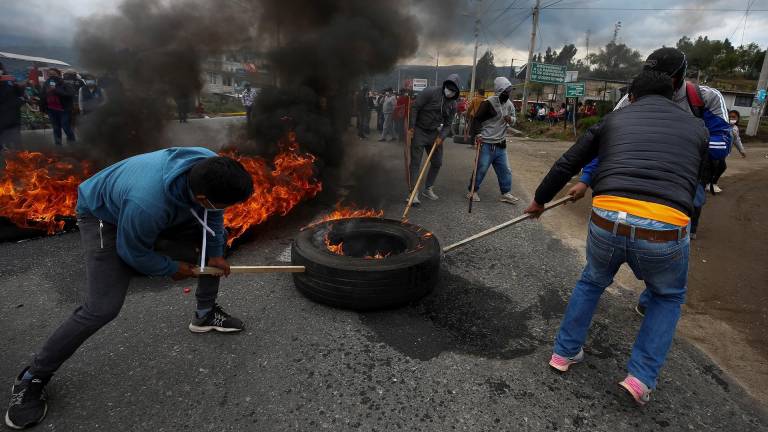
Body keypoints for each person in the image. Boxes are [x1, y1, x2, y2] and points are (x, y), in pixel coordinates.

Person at [4, 148, 254, 429]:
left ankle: (205, 313)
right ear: (202, 199)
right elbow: (131, 251)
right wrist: (170, 268)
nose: (225, 210)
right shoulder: (148, 204)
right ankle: (32, 377)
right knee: (102, 308)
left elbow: (214, 218)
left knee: (211, 256)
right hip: (103, 216)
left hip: (160, 204)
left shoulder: (209, 166)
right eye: (223, 204)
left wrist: (216, 252)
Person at [525, 71, 708, 406]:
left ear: (633, 97)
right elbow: (700, 179)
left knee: (593, 279)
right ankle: (639, 378)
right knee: (667, 296)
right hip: (665, 226)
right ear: (671, 97)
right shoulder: (697, 127)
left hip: (608, 217)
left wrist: (540, 201)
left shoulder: (614, 119)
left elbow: (567, 162)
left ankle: (563, 354)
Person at [571, 47, 731, 316]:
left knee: (671, 243)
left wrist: (678, 145)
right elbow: (607, 141)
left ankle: (652, 297)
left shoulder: (706, 98)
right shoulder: (632, 98)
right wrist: (586, 178)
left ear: (679, 76)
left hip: (682, 182)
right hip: (634, 176)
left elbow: (721, 144)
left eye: (665, 76)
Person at [407, 74, 461, 204]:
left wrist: (441, 137)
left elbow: (448, 124)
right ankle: (413, 193)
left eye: (453, 90)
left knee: (437, 162)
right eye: (448, 87)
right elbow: (415, 107)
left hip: (434, 133)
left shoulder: (453, 104)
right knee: (415, 162)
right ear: (444, 85)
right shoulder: (429, 92)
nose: (449, 91)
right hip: (420, 130)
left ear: (456, 91)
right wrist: (411, 127)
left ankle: (428, 188)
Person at [465, 77, 519, 204]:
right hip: (486, 144)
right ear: (500, 92)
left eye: (509, 91)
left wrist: (510, 119)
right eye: (506, 92)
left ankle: (506, 193)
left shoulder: (509, 105)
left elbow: (515, 119)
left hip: (501, 144)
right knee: (481, 167)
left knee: (505, 170)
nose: (508, 94)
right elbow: (476, 120)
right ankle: (472, 191)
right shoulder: (488, 103)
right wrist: (477, 134)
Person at [708, 110, 747, 192]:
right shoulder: (721, 125)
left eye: (734, 117)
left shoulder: (735, 129)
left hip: (724, 152)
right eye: (729, 116)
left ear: (738, 119)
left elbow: (737, 140)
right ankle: (711, 183)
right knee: (720, 167)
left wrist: (742, 150)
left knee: (717, 167)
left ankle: (710, 183)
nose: (731, 118)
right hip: (717, 149)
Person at [38, 68, 76, 146]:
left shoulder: (65, 83)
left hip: (64, 109)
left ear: (58, 74)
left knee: (65, 126)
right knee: (56, 128)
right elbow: (42, 96)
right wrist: (42, 107)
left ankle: (72, 143)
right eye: (50, 74)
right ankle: (58, 145)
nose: (52, 76)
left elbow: (70, 94)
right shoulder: (46, 84)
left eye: (53, 74)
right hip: (51, 109)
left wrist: (56, 90)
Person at [0, 64, 25, 150]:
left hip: (13, 113)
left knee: (16, 138)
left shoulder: (9, 80)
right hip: (3, 114)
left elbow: (20, 93)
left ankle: (19, 156)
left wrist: (16, 84)